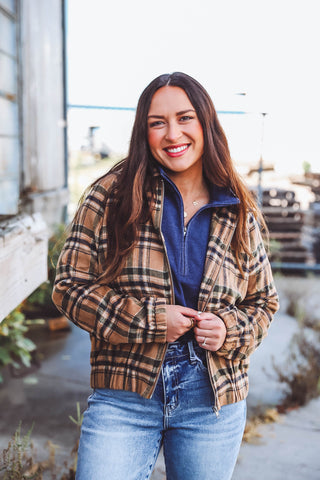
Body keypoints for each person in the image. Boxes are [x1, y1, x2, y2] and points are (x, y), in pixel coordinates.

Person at [52, 72, 279, 480]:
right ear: (144, 131)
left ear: (205, 124)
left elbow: (263, 302)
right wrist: (153, 321)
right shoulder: (112, 195)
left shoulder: (236, 206)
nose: (172, 133)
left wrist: (228, 329)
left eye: (185, 118)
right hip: (125, 392)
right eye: (157, 122)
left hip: (212, 397)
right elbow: (70, 286)